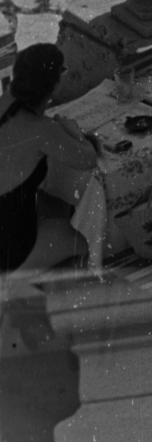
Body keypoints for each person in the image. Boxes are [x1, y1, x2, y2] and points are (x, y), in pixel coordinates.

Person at [0, 44, 98, 273]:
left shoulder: (4, 102)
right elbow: (89, 158)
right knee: (86, 242)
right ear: (54, 85)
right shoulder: (42, 130)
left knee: (54, 204)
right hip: (9, 250)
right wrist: (72, 130)